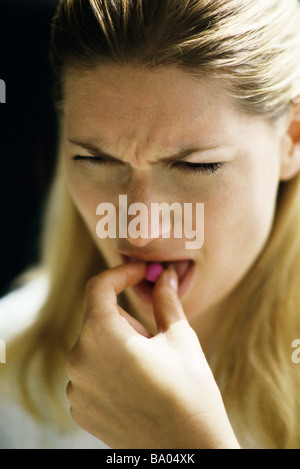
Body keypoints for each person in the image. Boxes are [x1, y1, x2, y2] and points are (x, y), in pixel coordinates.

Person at [1, 0, 300, 449]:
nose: (139, 230)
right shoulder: (10, 362)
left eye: (197, 166)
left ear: (292, 140)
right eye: (95, 159)